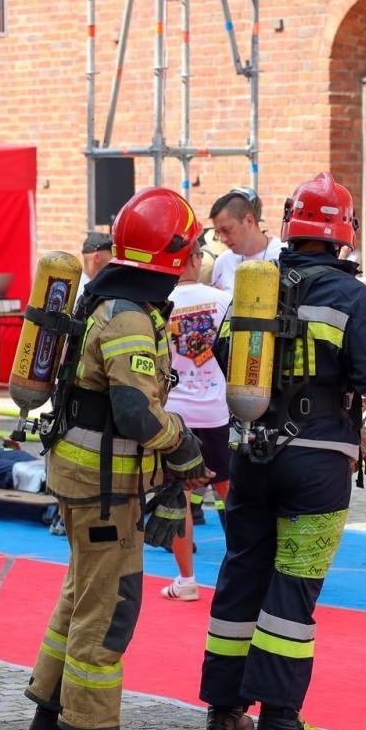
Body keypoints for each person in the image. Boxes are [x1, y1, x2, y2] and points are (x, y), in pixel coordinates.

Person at [199, 172, 366, 730]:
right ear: (342, 234)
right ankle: (281, 726)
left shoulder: (253, 285)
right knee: (293, 584)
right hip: (315, 465)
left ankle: (224, 717)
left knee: (242, 575)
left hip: (250, 454)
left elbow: (218, 352)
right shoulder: (351, 298)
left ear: (289, 228)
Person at [23, 187, 209, 730]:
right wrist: (182, 443)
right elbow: (134, 413)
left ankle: (50, 713)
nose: (197, 255)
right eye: (191, 246)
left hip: (84, 475)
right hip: (105, 486)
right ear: (168, 256)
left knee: (81, 593)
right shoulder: (130, 315)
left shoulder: (112, 299)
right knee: (111, 607)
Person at [160, 241, 233, 601]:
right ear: (197, 260)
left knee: (179, 496)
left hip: (176, 412)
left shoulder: (158, 306)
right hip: (216, 409)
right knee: (228, 492)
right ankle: (243, 572)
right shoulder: (222, 300)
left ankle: (186, 579)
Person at [207, 186, 282, 291]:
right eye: (218, 233)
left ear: (249, 221)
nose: (223, 239)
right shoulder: (223, 262)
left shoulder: (283, 253)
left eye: (227, 230)